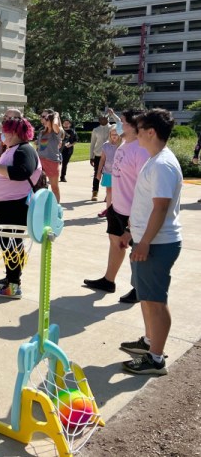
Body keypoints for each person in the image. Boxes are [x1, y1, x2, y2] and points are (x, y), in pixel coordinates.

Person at [118, 109, 182, 376]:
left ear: (151, 132)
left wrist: (144, 242)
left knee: (156, 300)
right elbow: (146, 207)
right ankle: (148, 342)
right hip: (147, 240)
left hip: (157, 244)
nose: (134, 131)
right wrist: (132, 234)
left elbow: (160, 208)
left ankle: (155, 359)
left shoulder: (162, 164)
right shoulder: (154, 160)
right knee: (146, 298)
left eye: (139, 127)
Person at [84, 110, 149, 303]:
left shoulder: (142, 150)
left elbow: (144, 187)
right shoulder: (123, 145)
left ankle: (140, 288)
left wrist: (134, 217)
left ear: (134, 126)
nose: (118, 125)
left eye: (122, 122)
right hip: (117, 207)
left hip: (133, 212)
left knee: (136, 251)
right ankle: (108, 281)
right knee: (115, 243)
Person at [0, 117, 42, 299]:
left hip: (14, 206)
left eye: (6, 131)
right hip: (6, 206)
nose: (4, 135)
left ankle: (14, 285)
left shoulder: (25, 149)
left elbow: (22, 172)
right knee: (8, 245)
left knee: (12, 247)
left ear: (15, 132)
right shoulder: (14, 149)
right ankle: (10, 278)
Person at [37, 109, 64, 203]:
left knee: (54, 187)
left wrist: (56, 115)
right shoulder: (42, 132)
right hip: (40, 161)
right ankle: (41, 206)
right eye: (42, 116)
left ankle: (56, 209)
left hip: (52, 161)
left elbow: (55, 125)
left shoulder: (57, 132)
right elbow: (41, 148)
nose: (42, 119)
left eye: (45, 117)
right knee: (39, 186)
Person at [96, 125, 122, 217]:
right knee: (109, 192)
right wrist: (99, 172)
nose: (114, 136)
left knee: (117, 192)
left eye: (116, 134)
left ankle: (117, 210)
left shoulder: (122, 146)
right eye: (112, 134)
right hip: (107, 172)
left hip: (119, 174)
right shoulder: (106, 145)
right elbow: (102, 159)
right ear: (110, 135)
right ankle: (108, 209)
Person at [90, 114, 112, 201]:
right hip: (98, 155)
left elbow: (119, 123)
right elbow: (92, 144)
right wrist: (91, 156)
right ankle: (95, 192)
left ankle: (108, 194)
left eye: (105, 118)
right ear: (99, 120)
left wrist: (112, 114)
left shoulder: (112, 128)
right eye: (101, 119)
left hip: (110, 155)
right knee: (96, 174)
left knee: (109, 174)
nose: (103, 120)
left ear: (108, 119)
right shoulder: (96, 130)